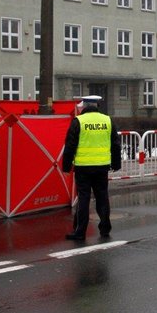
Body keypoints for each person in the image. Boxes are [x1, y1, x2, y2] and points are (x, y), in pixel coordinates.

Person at [61, 95, 122, 241]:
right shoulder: (107, 120)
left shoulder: (78, 121)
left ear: (85, 106)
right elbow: (115, 144)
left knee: (84, 198)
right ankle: (105, 229)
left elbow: (70, 145)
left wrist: (66, 166)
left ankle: (80, 232)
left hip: (83, 168)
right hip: (102, 167)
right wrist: (116, 164)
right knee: (102, 197)